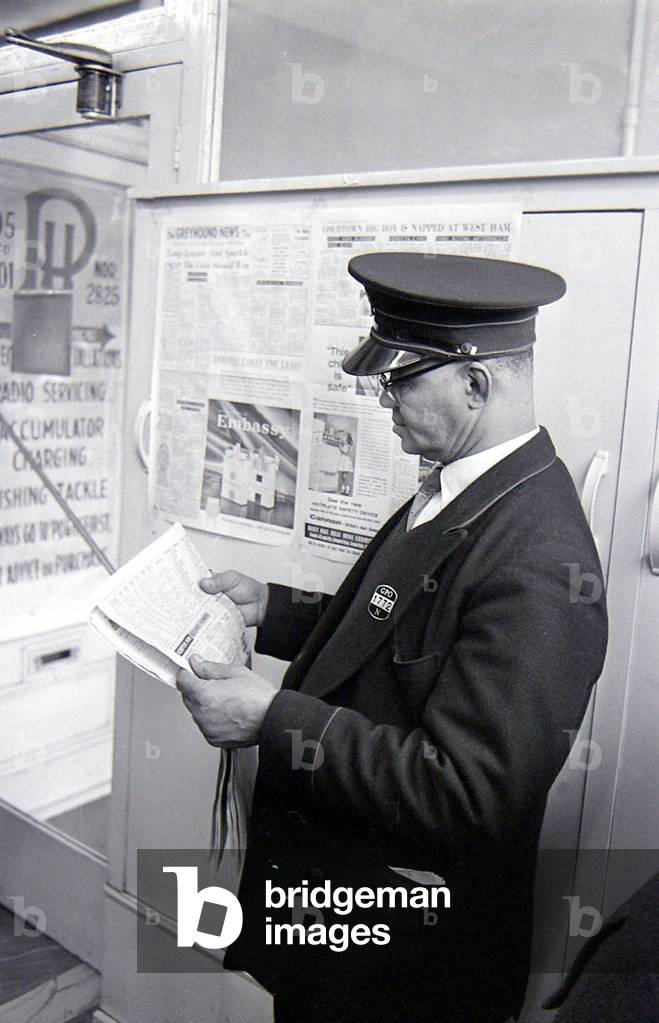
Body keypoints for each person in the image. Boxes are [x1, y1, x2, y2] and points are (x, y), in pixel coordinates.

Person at [176, 252, 608, 1023]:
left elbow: (470, 791)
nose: (383, 400)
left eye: (399, 380)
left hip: (408, 970)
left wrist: (270, 717)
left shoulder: (539, 557)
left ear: (473, 385)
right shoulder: (461, 486)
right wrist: (269, 607)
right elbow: (397, 621)